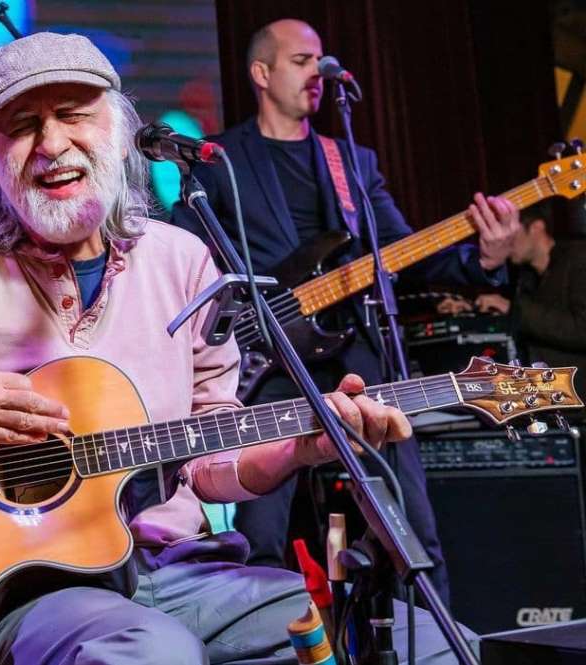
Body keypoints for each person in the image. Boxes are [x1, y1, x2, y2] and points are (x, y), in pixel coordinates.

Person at [0, 32, 471, 664]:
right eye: (22, 126)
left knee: (427, 642)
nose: (52, 144)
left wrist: (298, 449)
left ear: (118, 129)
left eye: (73, 115)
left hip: (179, 571)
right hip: (29, 591)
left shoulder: (183, 260)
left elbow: (210, 455)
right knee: (153, 653)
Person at [170, 18, 520, 604]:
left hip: (352, 351)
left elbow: (404, 253)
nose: (319, 72)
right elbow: (184, 261)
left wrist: (485, 259)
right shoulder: (220, 161)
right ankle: (263, 630)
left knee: (409, 519)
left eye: (321, 60)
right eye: (302, 61)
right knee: (261, 531)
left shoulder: (351, 160)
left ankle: (432, 630)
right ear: (261, 73)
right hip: (268, 359)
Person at [437, 201, 586, 401]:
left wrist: (510, 307)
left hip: (576, 395)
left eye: (511, 235)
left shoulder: (579, 260)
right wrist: (469, 309)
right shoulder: (524, 274)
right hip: (543, 395)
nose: (504, 243)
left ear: (536, 228)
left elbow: (581, 329)